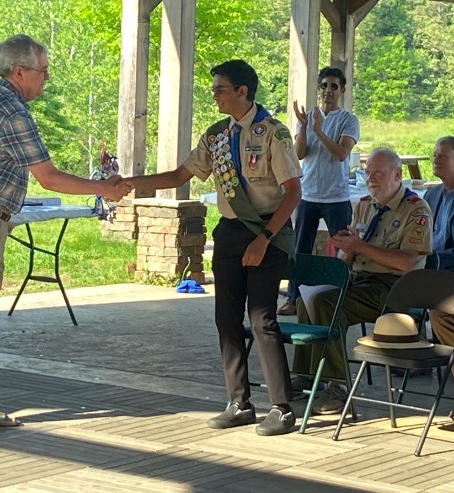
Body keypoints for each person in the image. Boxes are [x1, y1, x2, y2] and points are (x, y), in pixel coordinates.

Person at [119, 59, 302, 436]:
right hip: (231, 233)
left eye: (220, 88)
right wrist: (127, 182)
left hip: (269, 232)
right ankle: (239, 402)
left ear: (242, 91)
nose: (215, 95)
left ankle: (282, 407)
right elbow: (177, 176)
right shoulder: (216, 135)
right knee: (226, 317)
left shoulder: (274, 133)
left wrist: (264, 238)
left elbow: (293, 192)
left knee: (262, 318)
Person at [0, 34, 130, 427]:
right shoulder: (12, 109)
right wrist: (103, 188)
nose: (47, 79)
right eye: (43, 72)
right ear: (18, 72)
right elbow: (50, 178)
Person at [292, 147, 433, 414]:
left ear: (397, 174)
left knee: (326, 304)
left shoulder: (415, 209)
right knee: (306, 300)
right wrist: (346, 250)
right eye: (368, 173)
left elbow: (405, 262)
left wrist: (361, 246)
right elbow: (350, 257)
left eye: (378, 173)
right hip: (360, 280)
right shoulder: (366, 205)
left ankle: (337, 385)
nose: (371, 179)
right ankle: (307, 374)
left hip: (395, 288)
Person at [278, 66, 359, 316]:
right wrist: (304, 127)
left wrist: (319, 131)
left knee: (344, 248)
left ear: (342, 90)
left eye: (334, 86)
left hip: (336, 197)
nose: (328, 91)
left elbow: (341, 153)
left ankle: (344, 296)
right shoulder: (311, 116)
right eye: (324, 85)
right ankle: (293, 298)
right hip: (308, 195)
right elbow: (300, 154)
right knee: (300, 249)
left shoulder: (348, 119)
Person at [425, 136, 454, 423]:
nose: (435, 159)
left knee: (442, 313)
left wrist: (437, 260)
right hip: (433, 276)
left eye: (442, 155)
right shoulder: (431, 195)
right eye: (435, 154)